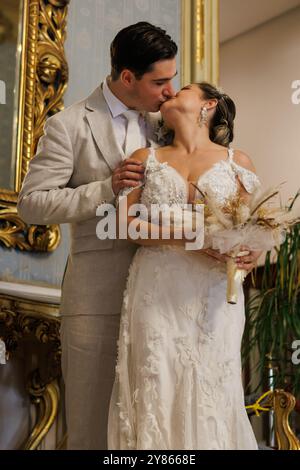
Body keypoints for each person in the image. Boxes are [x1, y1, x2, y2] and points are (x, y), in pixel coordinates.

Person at [17, 22, 178, 450]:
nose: (170, 91)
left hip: (162, 300)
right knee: (91, 429)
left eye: (172, 80)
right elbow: (32, 204)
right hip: (95, 302)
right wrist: (106, 188)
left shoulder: (168, 125)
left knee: (151, 433)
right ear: (128, 77)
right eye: (160, 81)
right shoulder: (67, 125)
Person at [107, 82, 262, 450]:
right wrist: (196, 238)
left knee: (213, 384)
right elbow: (124, 225)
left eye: (186, 87)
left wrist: (252, 253)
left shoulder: (236, 162)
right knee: (156, 380)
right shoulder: (144, 158)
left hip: (214, 293)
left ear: (208, 105)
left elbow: (251, 231)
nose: (171, 91)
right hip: (156, 289)